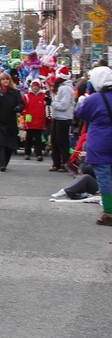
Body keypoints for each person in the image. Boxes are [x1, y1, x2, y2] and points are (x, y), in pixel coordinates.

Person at [74, 65, 112, 225]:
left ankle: (109, 213)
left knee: (104, 177)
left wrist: (82, 101)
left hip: (100, 141)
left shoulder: (94, 99)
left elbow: (81, 114)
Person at [0, 71, 24, 172]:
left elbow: (21, 104)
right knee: (0, 143)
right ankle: (2, 163)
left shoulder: (15, 92)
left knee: (10, 145)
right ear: (0, 81)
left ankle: (5, 161)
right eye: (3, 79)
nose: (5, 81)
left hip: (10, 121)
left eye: (7, 79)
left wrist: (18, 108)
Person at [50, 66, 75, 172]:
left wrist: (52, 102)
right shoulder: (62, 88)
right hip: (58, 117)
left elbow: (63, 105)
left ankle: (65, 163)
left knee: (62, 141)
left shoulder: (66, 89)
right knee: (55, 140)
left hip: (64, 118)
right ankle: (56, 163)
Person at [23, 78, 47, 161]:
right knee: (28, 138)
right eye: (34, 86)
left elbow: (46, 108)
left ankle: (38, 154)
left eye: (37, 86)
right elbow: (24, 107)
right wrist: (26, 115)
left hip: (39, 121)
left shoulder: (44, 96)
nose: (35, 88)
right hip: (30, 120)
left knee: (38, 139)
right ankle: (27, 153)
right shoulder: (27, 96)